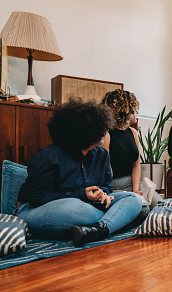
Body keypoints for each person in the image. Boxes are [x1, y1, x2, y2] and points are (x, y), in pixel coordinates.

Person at [16, 99, 143, 247]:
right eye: (99, 127)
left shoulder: (102, 155)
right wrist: (82, 194)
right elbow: (37, 197)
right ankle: (117, 221)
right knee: (78, 209)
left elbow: (107, 186)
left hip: (88, 204)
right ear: (82, 131)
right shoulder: (48, 157)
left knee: (133, 198)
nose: (105, 131)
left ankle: (101, 229)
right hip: (35, 209)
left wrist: (103, 195)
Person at [101, 89, 162, 209]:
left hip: (132, 183)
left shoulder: (133, 132)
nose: (137, 112)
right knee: (144, 209)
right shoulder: (106, 135)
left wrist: (135, 190)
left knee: (161, 206)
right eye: (134, 109)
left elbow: (136, 165)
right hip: (114, 186)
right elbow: (106, 171)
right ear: (124, 112)